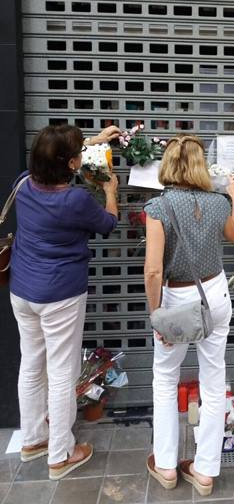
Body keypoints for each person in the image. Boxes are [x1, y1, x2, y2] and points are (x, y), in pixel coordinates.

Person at [9, 124, 120, 480]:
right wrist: (111, 189)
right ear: (72, 163)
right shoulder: (74, 200)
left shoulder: (23, 183)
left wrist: (94, 142)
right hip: (59, 295)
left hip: (23, 291)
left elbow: (51, 156)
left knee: (31, 365)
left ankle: (33, 440)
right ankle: (61, 454)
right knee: (61, 373)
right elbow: (108, 223)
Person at [144, 134, 234, 497]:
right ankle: (204, 471)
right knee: (213, 380)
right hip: (215, 293)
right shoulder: (218, 203)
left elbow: (153, 272)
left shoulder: (157, 208)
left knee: (165, 378)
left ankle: (167, 465)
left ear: (168, 164)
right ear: (201, 166)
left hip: (176, 298)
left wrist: (157, 315)